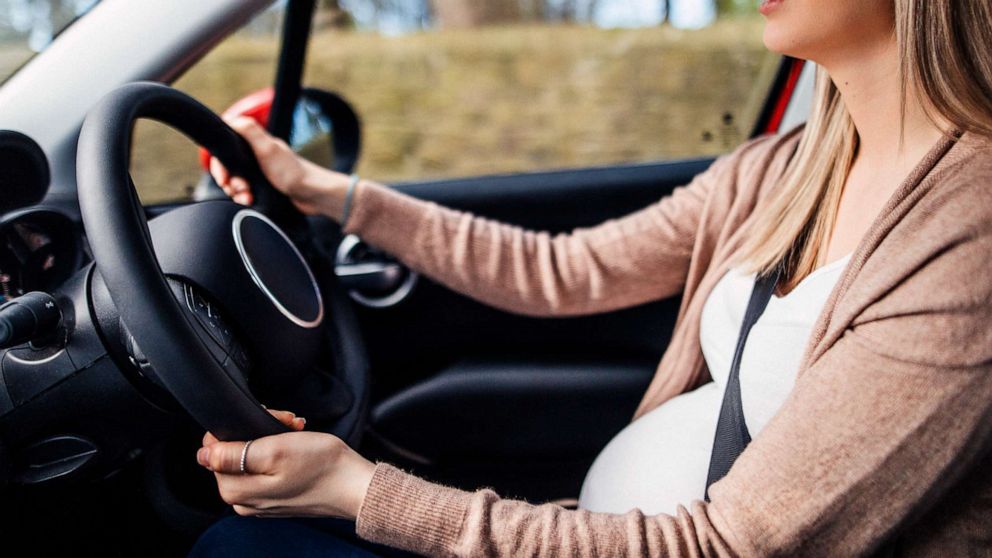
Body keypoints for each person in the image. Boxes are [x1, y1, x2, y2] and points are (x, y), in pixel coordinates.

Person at [190, 0, 992, 556]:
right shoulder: (782, 168)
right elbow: (562, 270)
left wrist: (362, 491)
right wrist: (329, 193)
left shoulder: (970, 234)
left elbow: (734, 546)